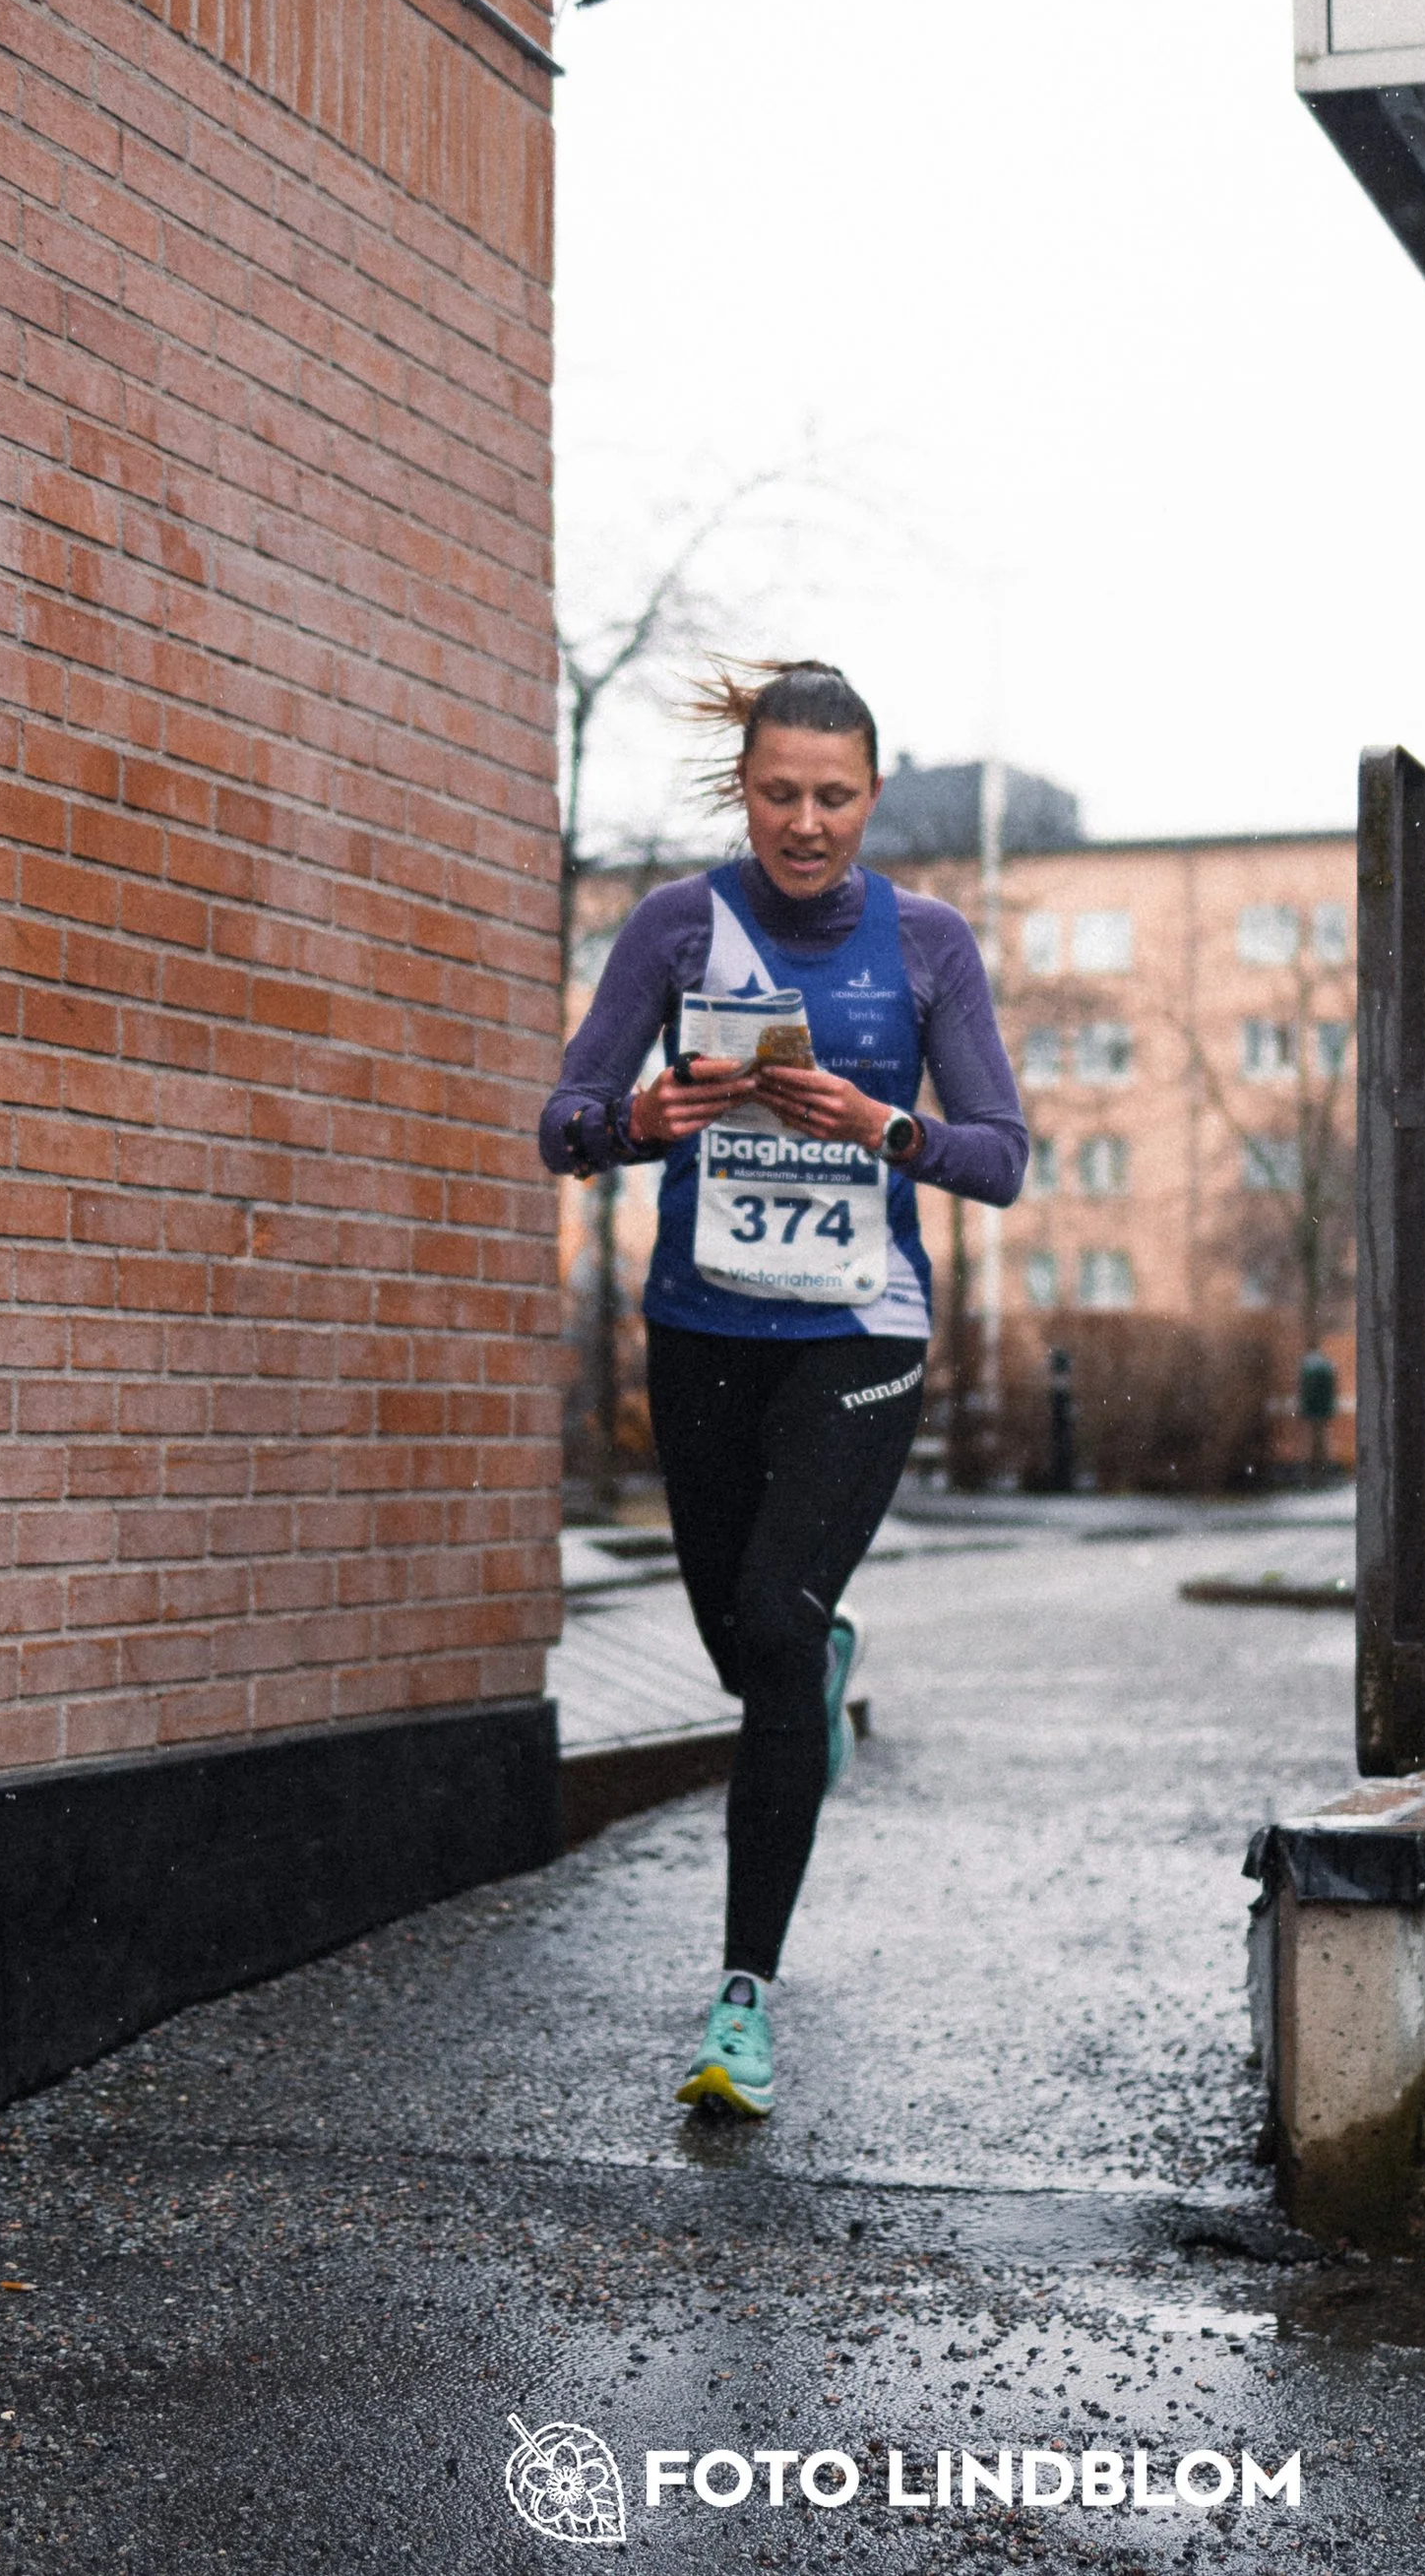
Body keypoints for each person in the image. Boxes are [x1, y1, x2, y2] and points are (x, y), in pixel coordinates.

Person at [542, 660, 1026, 2116]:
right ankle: (807, 1673)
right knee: (745, 1654)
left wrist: (886, 1127)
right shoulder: (680, 925)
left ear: (871, 797)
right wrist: (641, 1120)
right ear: (741, 792)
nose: (804, 823)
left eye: (832, 796)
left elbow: (1001, 1154)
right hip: (702, 1333)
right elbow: (561, 1123)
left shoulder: (927, 943)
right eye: (777, 794)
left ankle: (741, 1998)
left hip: (859, 1336)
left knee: (772, 1613)